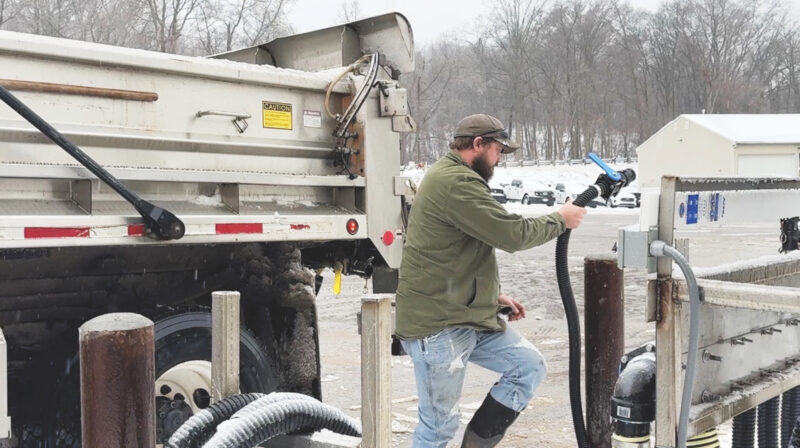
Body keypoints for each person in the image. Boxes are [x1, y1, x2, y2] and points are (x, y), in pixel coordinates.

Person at [395, 114, 587, 447]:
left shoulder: (456, 178)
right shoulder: (455, 182)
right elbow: (511, 235)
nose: (499, 160)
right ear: (478, 144)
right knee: (438, 426)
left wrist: (492, 295)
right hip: (438, 325)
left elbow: (452, 253)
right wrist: (560, 219)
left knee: (527, 367)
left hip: (465, 315)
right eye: (497, 150)